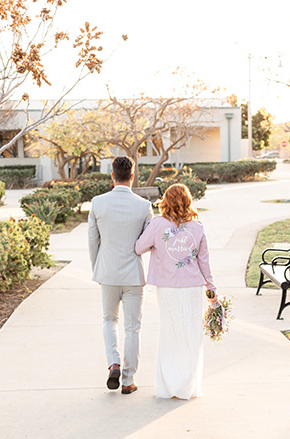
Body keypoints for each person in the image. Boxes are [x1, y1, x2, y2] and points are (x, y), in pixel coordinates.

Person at [134, 183, 217, 400]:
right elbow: (204, 262)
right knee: (190, 334)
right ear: (188, 201)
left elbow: (138, 248)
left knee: (170, 332)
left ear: (166, 202)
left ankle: (169, 386)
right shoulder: (197, 227)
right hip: (191, 288)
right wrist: (211, 288)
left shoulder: (157, 224)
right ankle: (187, 386)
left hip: (167, 288)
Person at [88, 156, 153, 394]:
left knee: (109, 320)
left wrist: (99, 270)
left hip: (107, 272)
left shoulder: (97, 203)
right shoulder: (144, 206)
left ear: (112, 177)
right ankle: (128, 380)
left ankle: (113, 362)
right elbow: (147, 243)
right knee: (133, 328)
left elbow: (92, 241)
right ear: (133, 176)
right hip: (134, 275)